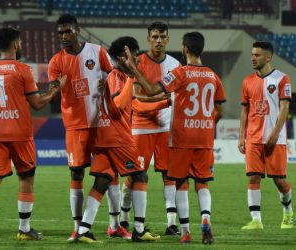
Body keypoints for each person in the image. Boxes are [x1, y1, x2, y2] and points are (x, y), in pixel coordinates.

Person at [123, 31, 226, 244]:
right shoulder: (213, 76)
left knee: (180, 183)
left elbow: (151, 90)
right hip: (205, 139)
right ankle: (205, 220)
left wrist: (134, 69)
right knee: (203, 183)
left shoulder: (179, 73)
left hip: (181, 138)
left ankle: (186, 231)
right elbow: (220, 110)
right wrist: (207, 125)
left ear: (185, 48)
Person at [0, 27, 65, 244]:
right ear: (16, 44)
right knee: (26, 177)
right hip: (20, 134)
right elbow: (36, 103)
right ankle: (24, 228)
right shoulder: (23, 70)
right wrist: (56, 90)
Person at [47, 14, 128, 241]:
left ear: (77, 30)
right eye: (60, 33)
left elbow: (114, 74)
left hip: (101, 123)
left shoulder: (97, 51)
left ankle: (114, 225)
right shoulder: (56, 62)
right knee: (76, 172)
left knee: (110, 173)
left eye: (67, 31)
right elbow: (53, 94)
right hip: (75, 126)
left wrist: (108, 81)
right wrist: (56, 88)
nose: (64, 36)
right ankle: (78, 226)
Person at [75, 36, 161, 243]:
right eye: (136, 54)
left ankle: (84, 230)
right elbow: (119, 105)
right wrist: (131, 77)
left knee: (102, 181)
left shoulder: (116, 76)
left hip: (106, 136)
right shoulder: (117, 76)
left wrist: (162, 103)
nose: (139, 59)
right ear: (125, 56)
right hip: (117, 137)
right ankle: (139, 229)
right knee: (140, 176)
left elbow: (131, 104)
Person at [120, 21, 181, 236]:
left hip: (165, 129)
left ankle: (171, 223)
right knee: (135, 175)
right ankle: (124, 217)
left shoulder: (174, 64)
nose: (158, 41)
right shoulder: (138, 62)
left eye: (162, 37)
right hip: (140, 128)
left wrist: (153, 98)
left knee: (169, 176)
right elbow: (135, 102)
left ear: (167, 39)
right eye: (154, 37)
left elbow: (171, 97)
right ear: (148, 39)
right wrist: (163, 100)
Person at [238, 41, 293, 230]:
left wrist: (275, 134)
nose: (253, 58)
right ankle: (256, 220)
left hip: (275, 140)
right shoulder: (247, 81)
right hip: (253, 138)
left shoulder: (282, 79)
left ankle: (288, 212)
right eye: (252, 54)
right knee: (253, 177)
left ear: (268, 57)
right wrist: (241, 136)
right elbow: (245, 111)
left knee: (279, 180)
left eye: (257, 55)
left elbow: (285, 108)